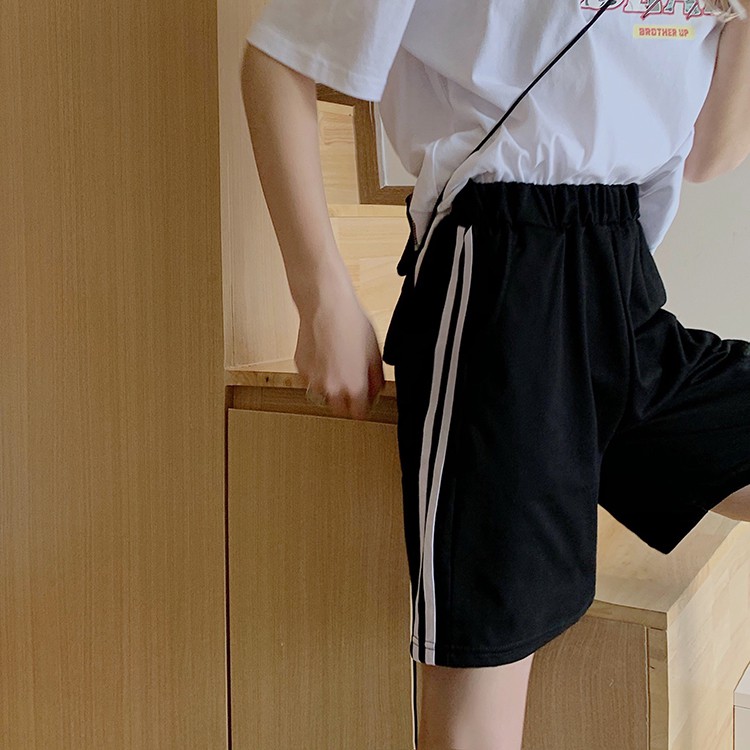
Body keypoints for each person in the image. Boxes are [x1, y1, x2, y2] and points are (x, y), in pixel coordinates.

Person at [241, 2, 750, 748]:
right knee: (483, 699)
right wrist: (320, 294)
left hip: (625, 282)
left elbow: (710, 154)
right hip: (502, 272)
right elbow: (278, 59)